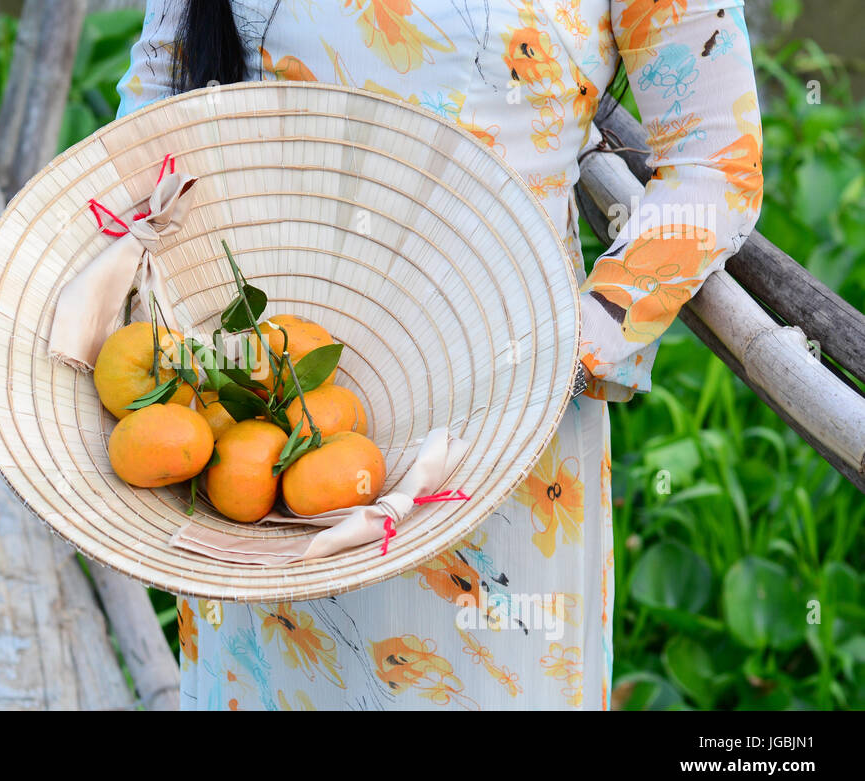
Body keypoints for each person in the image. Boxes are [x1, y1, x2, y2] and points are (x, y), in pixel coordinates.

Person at [115, 0, 763, 710]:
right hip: (265, 439)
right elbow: (153, 114)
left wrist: (564, 355)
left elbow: (715, 163)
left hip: (504, 437)